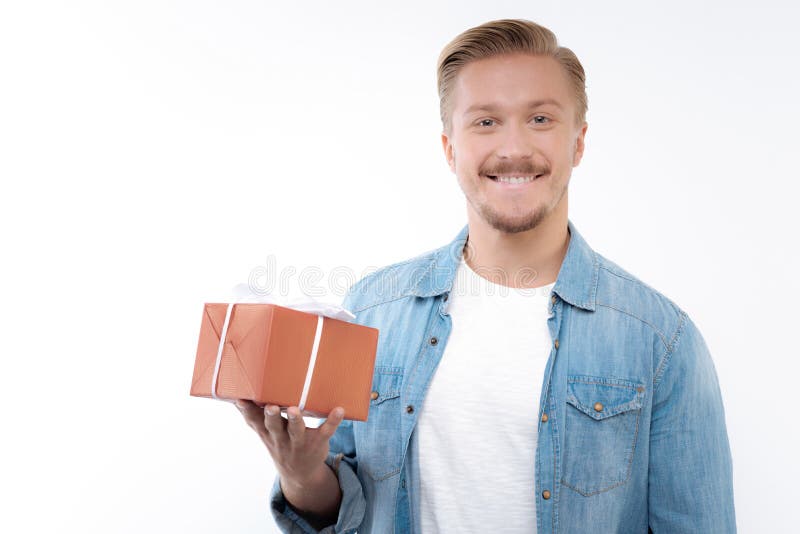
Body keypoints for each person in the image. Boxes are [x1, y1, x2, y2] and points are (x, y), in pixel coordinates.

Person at [235, 18, 736, 533]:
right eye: (485, 122)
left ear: (578, 143)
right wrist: (298, 474)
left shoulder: (660, 340)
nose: (514, 148)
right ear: (450, 148)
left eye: (540, 118)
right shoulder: (371, 310)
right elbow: (341, 510)